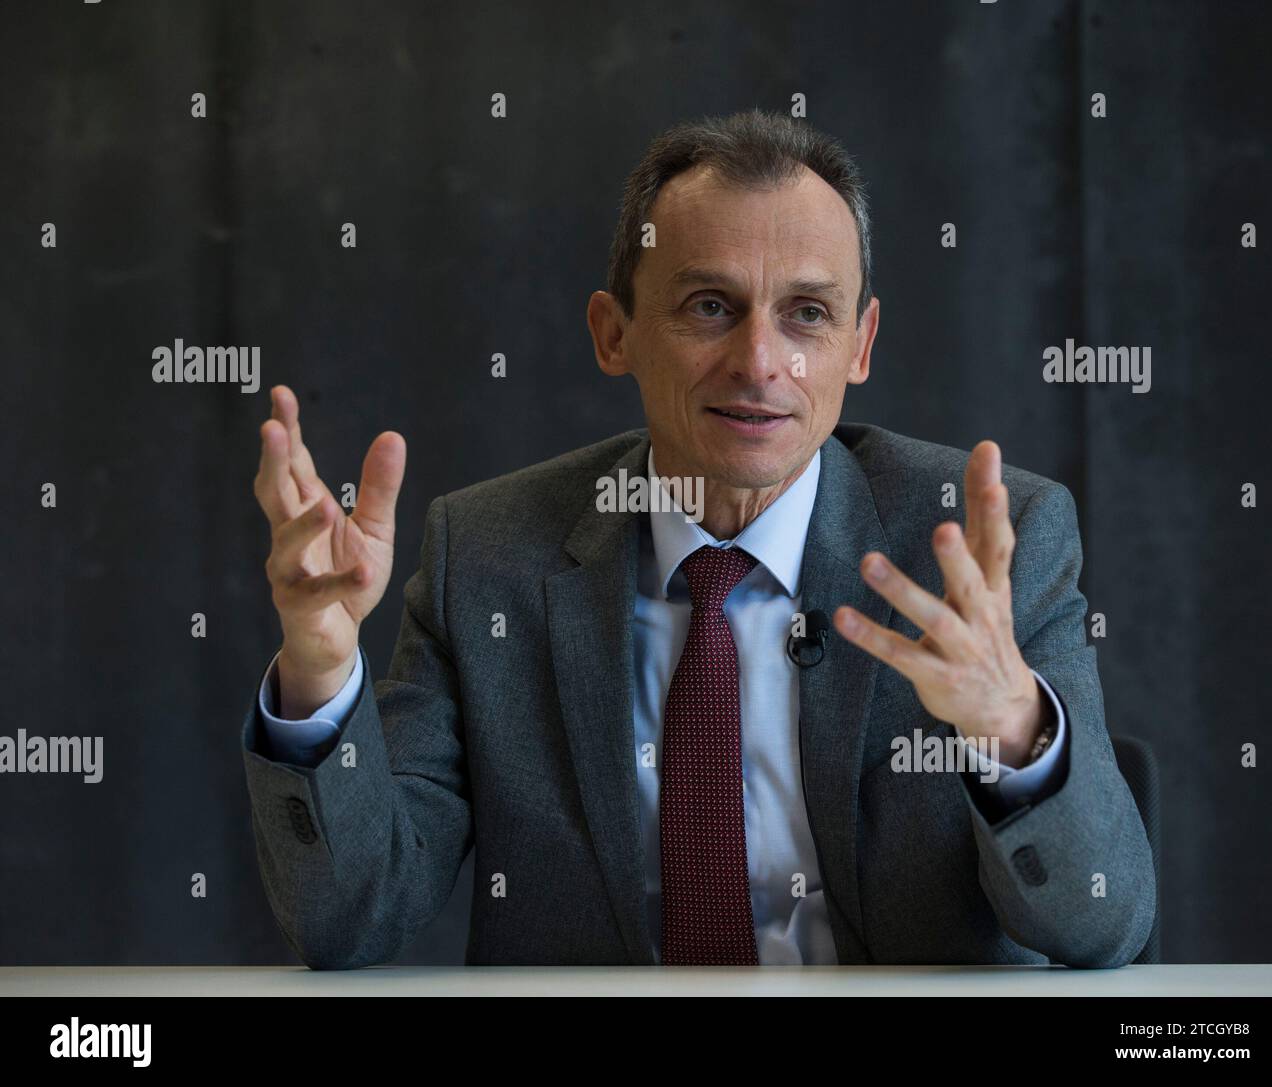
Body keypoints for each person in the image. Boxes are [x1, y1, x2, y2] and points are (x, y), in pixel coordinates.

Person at [243, 108, 1155, 969]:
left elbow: (1103, 924)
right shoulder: (485, 559)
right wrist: (319, 664)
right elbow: (350, 918)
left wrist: (1016, 735)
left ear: (861, 344)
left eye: (807, 312)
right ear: (615, 332)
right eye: (711, 306)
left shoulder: (992, 544)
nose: (761, 361)